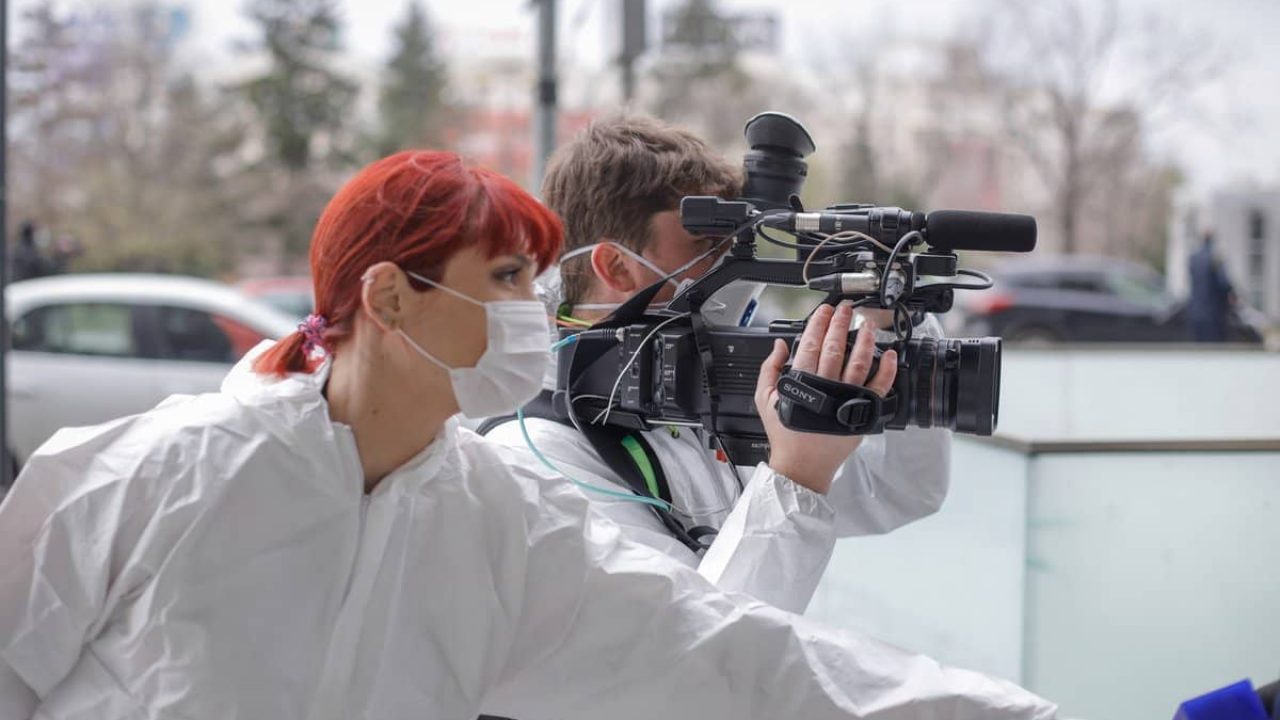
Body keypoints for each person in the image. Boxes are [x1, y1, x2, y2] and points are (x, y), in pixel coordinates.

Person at [0, 150, 1056, 718]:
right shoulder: (159, 474)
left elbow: (744, 663)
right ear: (391, 296)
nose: (534, 311)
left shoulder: (494, 522)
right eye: (507, 278)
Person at [484, 114, 951, 613]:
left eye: (735, 247)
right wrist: (795, 476)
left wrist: (893, 327)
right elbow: (696, 640)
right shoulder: (536, 459)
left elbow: (897, 491)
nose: (733, 270)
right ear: (616, 266)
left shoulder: (685, 393)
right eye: (708, 247)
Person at [1188, 232, 1237, 342]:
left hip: (1195, 313)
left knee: (1200, 347)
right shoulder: (1215, 258)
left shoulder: (1193, 258)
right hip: (1214, 314)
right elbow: (1224, 283)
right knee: (1215, 348)